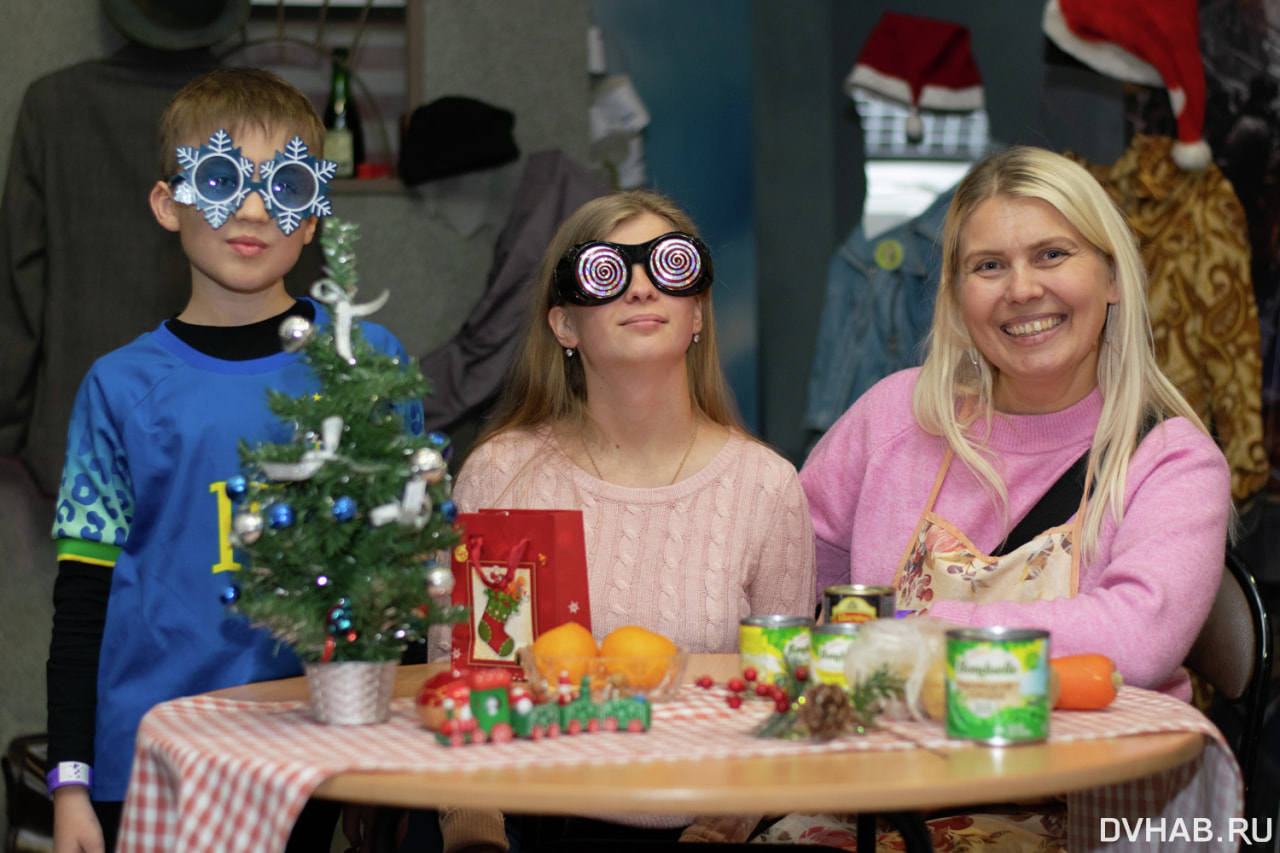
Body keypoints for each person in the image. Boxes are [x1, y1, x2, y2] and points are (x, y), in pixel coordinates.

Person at [780, 145, 1233, 850]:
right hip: (880, 797)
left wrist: (924, 633)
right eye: (989, 266)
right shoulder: (894, 417)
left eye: (1052, 254)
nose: (1022, 289)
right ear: (959, 294)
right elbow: (793, 576)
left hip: (1085, 813)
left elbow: (1138, 639)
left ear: (1111, 276)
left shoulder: (1169, 458)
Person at [45, 67, 420, 853]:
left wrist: (393, 761)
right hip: (146, 760)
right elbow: (84, 598)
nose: (253, 209)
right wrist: (70, 780)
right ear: (167, 202)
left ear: (313, 215)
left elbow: (406, 578)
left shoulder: (364, 363)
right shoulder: (120, 387)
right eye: (220, 178)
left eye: (284, 185)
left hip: (318, 753)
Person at [420, 189, 816, 852]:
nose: (639, 288)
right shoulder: (501, 475)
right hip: (530, 825)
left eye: (669, 266)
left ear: (696, 315)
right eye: (607, 270)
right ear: (564, 325)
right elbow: (465, 683)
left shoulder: (766, 488)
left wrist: (721, 828)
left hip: (705, 827)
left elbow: (784, 708)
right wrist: (477, 834)